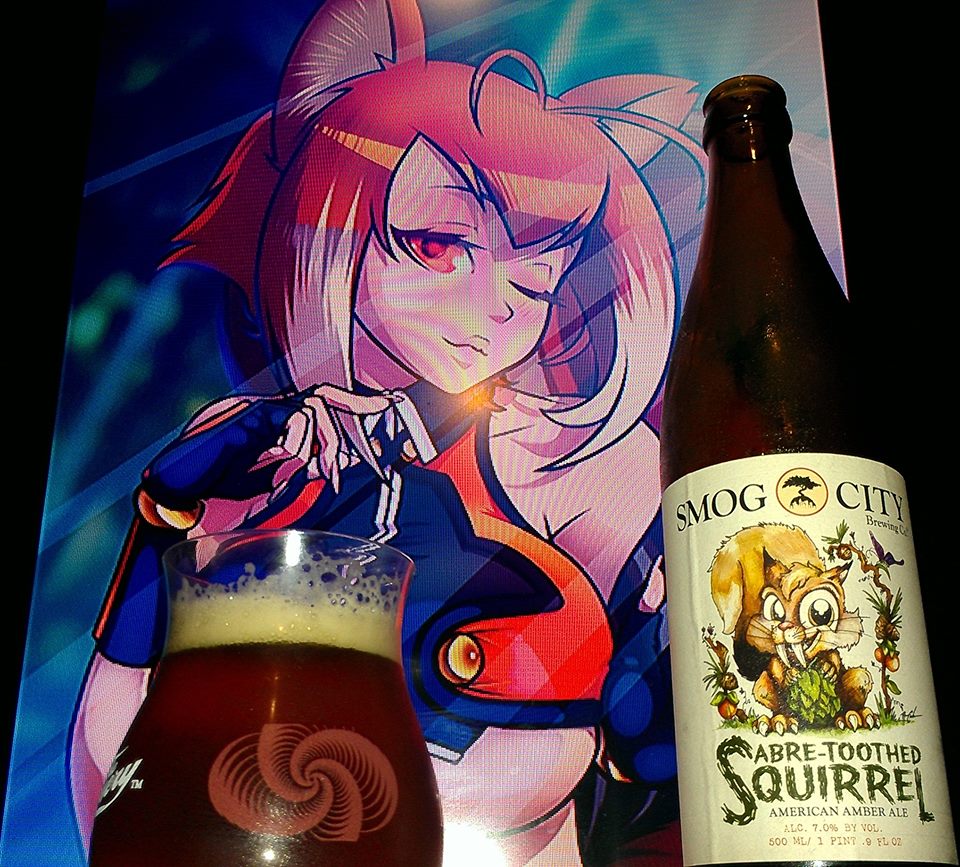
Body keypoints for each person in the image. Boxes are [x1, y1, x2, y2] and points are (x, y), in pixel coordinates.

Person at [70, 0, 704, 861]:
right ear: (332, 221)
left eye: (537, 277)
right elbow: (113, 750)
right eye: (440, 245)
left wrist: (665, 647)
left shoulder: (579, 468)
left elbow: (653, 760)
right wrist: (165, 523)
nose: (496, 307)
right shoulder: (249, 452)